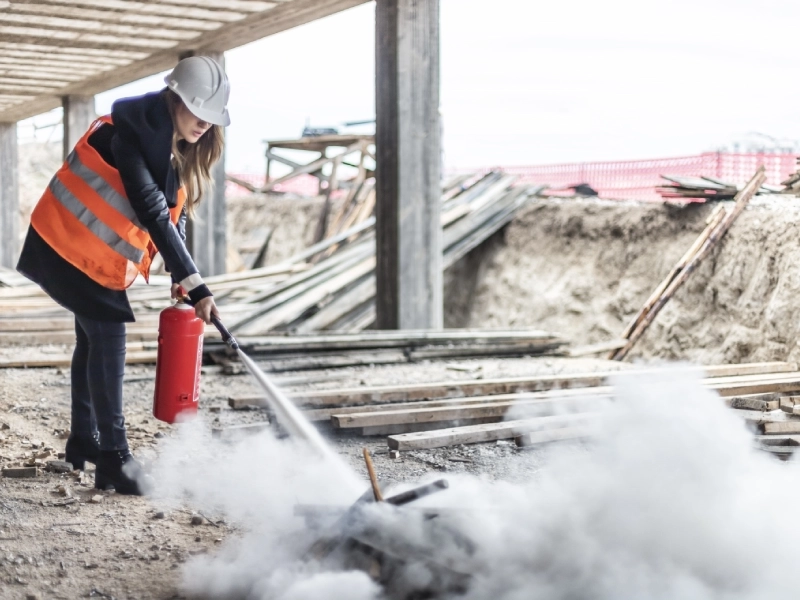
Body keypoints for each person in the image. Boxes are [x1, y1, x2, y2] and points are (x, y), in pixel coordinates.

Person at [16, 56, 230, 495]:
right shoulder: (131, 135)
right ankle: (114, 458)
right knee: (109, 334)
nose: (204, 124)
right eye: (198, 111)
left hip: (80, 249)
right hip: (65, 245)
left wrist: (178, 271)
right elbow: (152, 209)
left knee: (91, 339)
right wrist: (196, 285)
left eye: (212, 117)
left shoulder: (164, 136)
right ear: (175, 98)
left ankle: (84, 440)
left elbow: (176, 208)